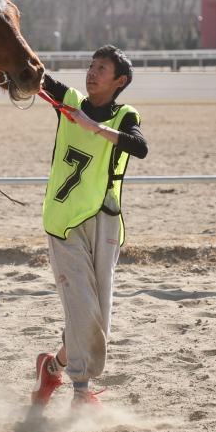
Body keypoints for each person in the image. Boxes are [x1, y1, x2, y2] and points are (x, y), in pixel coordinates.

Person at [31, 44, 148, 412]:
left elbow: (140, 148)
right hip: (64, 221)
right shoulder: (69, 101)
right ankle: (81, 392)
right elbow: (35, 76)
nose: (92, 73)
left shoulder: (125, 116)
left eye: (102, 69)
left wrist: (94, 128)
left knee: (98, 319)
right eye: (91, 66)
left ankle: (52, 368)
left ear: (119, 81)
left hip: (105, 220)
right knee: (83, 309)